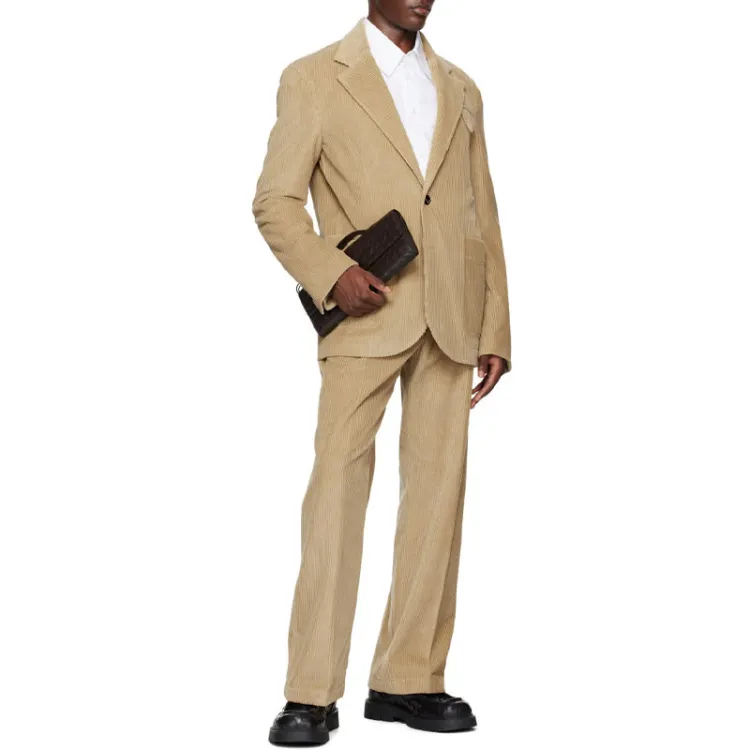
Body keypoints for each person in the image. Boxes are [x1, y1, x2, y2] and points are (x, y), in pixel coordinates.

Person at [252, 0, 511, 744]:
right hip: (366, 311)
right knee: (336, 496)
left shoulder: (461, 87)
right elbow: (275, 202)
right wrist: (330, 274)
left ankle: (408, 679)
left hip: (452, 315)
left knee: (436, 503)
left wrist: (496, 325)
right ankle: (310, 691)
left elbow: (480, 212)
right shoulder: (313, 78)